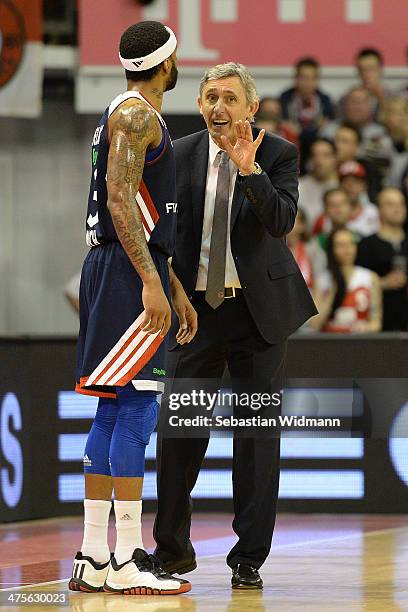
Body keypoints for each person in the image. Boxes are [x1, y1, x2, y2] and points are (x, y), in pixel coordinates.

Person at [153, 62, 317, 590]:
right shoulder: (176, 154)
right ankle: (172, 552)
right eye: (209, 97)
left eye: (229, 98)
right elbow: (163, 235)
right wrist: (170, 293)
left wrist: (250, 172)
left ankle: (248, 558)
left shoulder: (279, 153)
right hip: (194, 314)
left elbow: (281, 222)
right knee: (178, 436)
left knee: (255, 441)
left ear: (252, 106)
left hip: (258, 315)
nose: (217, 107)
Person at [70, 21, 197, 596]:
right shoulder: (138, 116)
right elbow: (122, 201)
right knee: (138, 412)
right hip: (124, 273)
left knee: (112, 411)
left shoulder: (123, 112)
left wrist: (168, 281)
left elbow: (139, 213)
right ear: (168, 64)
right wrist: (150, 278)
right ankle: (124, 557)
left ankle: (94, 555)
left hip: (121, 267)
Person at [311, 228, 382, 333]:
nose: (347, 250)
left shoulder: (370, 277)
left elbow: (376, 323)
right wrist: (333, 291)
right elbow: (314, 324)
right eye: (341, 245)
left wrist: (365, 328)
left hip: (359, 341)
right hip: (330, 341)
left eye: (351, 244)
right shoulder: (323, 280)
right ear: (331, 249)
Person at [357, 188, 408, 331]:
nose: (397, 209)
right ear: (379, 209)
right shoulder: (366, 245)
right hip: (379, 323)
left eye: (401, 204)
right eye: (390, 204)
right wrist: (382, 283)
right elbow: (356, 283)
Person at [298, 138, 338, 230]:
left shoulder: (342, 188)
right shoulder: (297, 187)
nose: (319, 161)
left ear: (335, 158)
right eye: (314, 155)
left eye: (325, 155)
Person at [338, 161, 380, 237]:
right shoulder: (330, 213)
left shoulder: (374, 212)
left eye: (355, 182)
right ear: (339, 185)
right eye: (346, 182)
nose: (350, 186)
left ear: (364, 186)